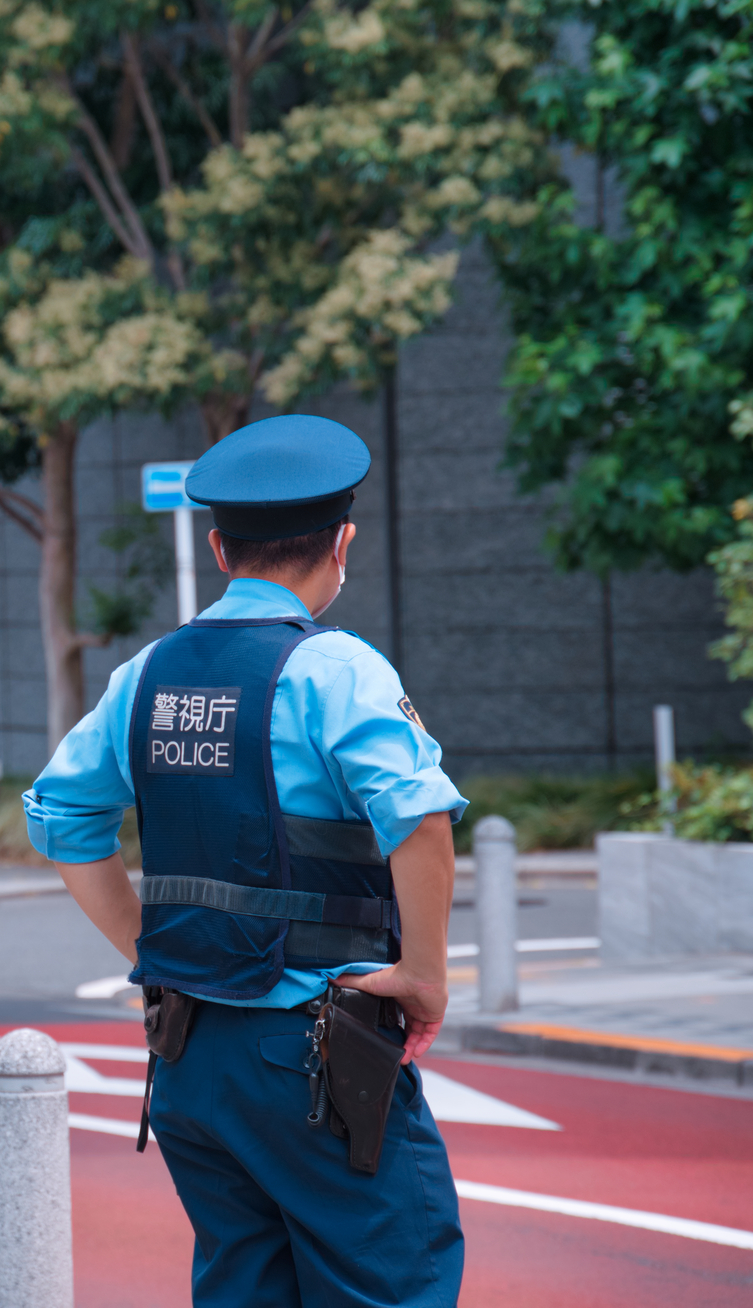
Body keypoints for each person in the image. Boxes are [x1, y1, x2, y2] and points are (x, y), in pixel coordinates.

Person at [24, 413, 467, 1307]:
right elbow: (418, 818)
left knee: (243, 1285)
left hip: (188, 1057)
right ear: (342, 544)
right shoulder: (337, 669)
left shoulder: (146, 673)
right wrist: (424, 972)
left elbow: (63, 813)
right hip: (313, 1053)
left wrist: (150, 949)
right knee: (393, 1280)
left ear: (221, 550)